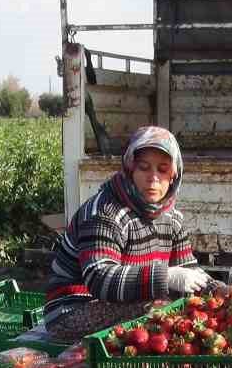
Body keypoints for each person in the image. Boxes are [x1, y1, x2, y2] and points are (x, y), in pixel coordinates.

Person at [44, 125, 214, 342]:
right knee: (159, 311)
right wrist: (167, 276)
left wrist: (221, 291)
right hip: (73, 310)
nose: (153, 178)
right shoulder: (104, 213)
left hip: (122, 304)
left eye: (162, 170)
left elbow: (188, 270)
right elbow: (100, 278)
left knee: (187, 307)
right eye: (144, 168)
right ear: (129, 169)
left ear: (174, 177)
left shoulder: (171, 218)